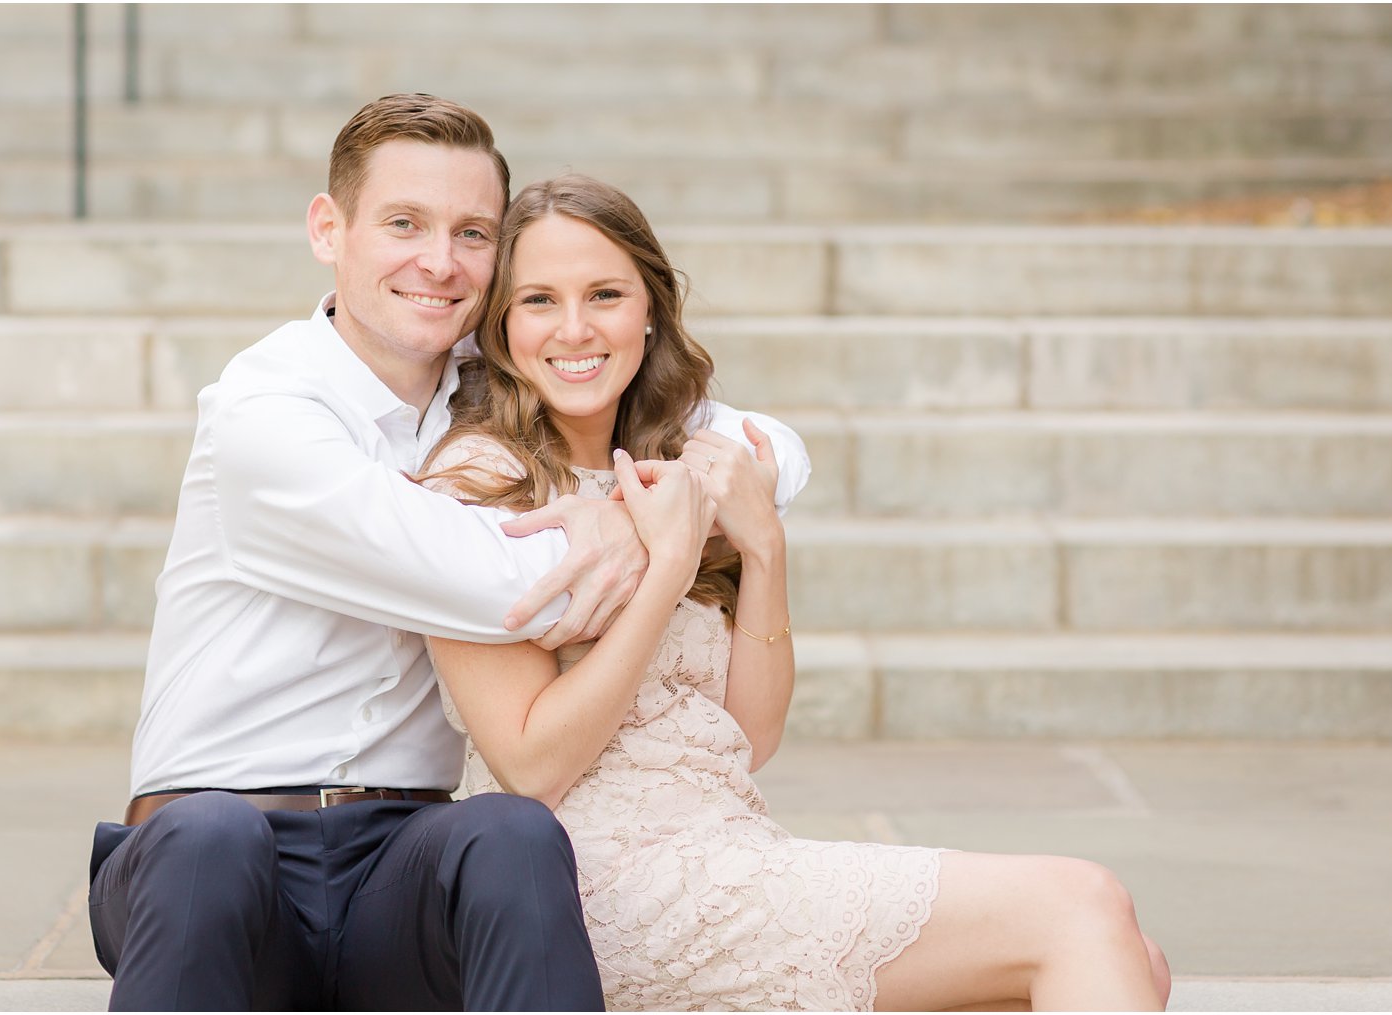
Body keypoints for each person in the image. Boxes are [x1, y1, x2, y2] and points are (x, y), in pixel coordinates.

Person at [85, 95, 811, 1011]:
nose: (439, 262)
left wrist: (644, 503)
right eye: (404, 224)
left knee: (509, 832)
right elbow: (500, 581)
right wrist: (641, 520)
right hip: (212, 857)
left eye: (472, 233)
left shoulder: (485, 379)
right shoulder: (265, 414)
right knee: (211, 840)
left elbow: (768, 443)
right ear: (328, 228)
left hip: (398, 864)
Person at [421, 173, 1174, 1012]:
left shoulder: (684, 462)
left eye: (605, 293)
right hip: (599, 884)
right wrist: (665, 569)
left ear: (650, 311)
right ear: (500, 325)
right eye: (538, 300)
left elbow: (751, 731)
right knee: (1083, 905)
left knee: (1137, 961)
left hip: (727, 844)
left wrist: (763, 546)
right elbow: (529, 769)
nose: (575, 328)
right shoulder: (479, 487)